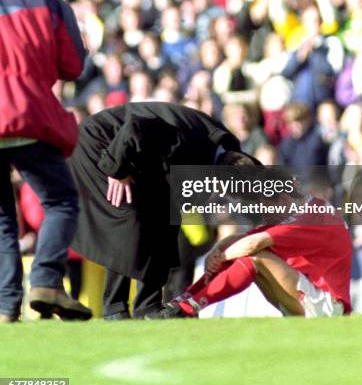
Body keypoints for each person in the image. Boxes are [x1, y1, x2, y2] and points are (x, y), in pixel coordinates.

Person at [69, 101, 260, 320]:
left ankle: (147, 306)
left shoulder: (226, 151)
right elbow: (136, 126)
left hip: (138, 154)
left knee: (164, 223)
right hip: (101, 145)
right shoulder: (192, 143)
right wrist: (117, 168)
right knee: (128, 220)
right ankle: (114, 308)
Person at [0, 0, 91, 323]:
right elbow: (74, 65)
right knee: (61, 201)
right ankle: (46, 281)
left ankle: (6, 307)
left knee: (2, 219)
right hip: (28, 113)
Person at [152, 179, 352, 319]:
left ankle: (188, 306)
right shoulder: (301, 212)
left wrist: (221, 257)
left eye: (265, 208)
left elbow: (253, 244)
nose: (264, 216)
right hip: (312, 300)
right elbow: (244, 238)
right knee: (246, 253)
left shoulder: (311, 216)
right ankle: (183, 302)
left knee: (255, 257)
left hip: (328, 307)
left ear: (282, 199)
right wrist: (219, 250)